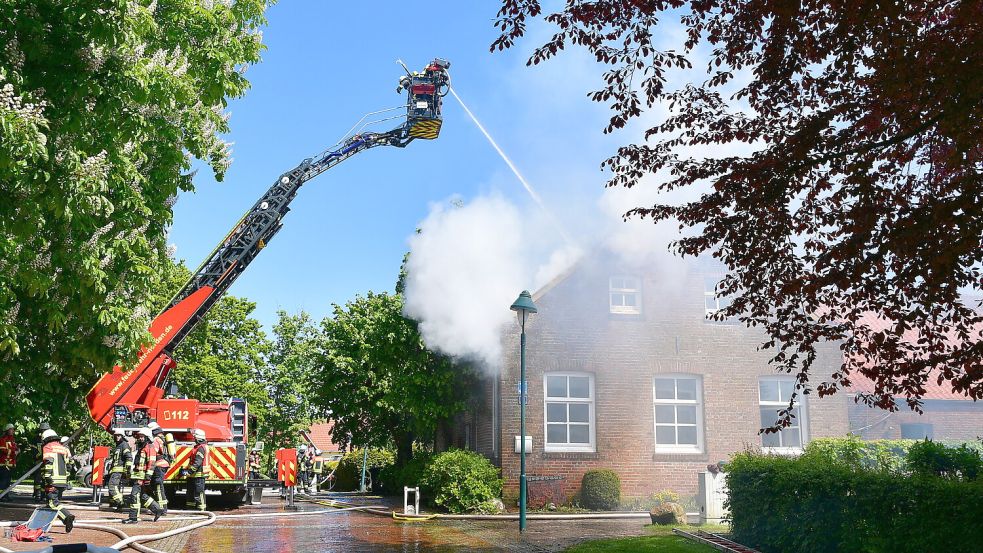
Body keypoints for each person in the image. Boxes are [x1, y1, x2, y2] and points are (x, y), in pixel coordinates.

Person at [123, 427, 163, 524]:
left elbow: (152, 463)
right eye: (139, 436)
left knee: (134, 495)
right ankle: (157, 509)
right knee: (142, 495)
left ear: (147, 437)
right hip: (137, 476)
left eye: (142, 437)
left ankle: (133, 518)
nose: (140, 438)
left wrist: (148, 476)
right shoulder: (142, 447)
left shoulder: (149, 447)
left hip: (142, 476)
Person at [40, 429, 75, 533]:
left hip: (53, 480)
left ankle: (67, 517)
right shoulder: (63, 448)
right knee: (51, 502)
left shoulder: (48, 447)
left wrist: (47, 477)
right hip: (62, 481)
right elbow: (68, 466)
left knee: (53, 504)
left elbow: (49, 462)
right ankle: (43, 525)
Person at [181, 429, 209, 511]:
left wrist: (190, 471)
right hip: (194, 474)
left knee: (199, 492)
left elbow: (198, 462)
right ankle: (190, 507)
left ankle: (202, 509)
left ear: (198, 438)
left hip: (199, 474)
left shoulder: (201, 448)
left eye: (195, 437)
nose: (194, 438)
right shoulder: (199, 447)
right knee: (190, 492)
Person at [148, 422, 171, 514]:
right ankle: (161, 508)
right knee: (158, 487)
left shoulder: (156, 440)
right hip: (164, 465)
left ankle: (162, 509)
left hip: (158, 465)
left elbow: (154, 452)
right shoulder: (163, 438)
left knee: (158, 488)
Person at [106, 429, 132, 511]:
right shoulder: (118, 445)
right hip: (114, 470)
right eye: (116, 435)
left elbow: (129, 457)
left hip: (119, 470)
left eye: (119, 435)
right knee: (113, 487)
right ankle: (115, 503)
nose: (117, 437)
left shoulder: (124, 445)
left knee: (112, 487)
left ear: (122, 436)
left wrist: (127, 470)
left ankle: (121, 503)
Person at [0, 423, 18, 500]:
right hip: (4, 464)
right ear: (7, 430)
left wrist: (17, 450)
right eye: (11, 429)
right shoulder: (3, 439)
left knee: (8, 481)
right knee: (3, 481)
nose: (13, 431)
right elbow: (3, 450)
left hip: (10, 464)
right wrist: (14, 452)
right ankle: (1, 496)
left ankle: (6, 495)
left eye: (13, 429)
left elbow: (14, 449)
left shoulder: (12, 440)